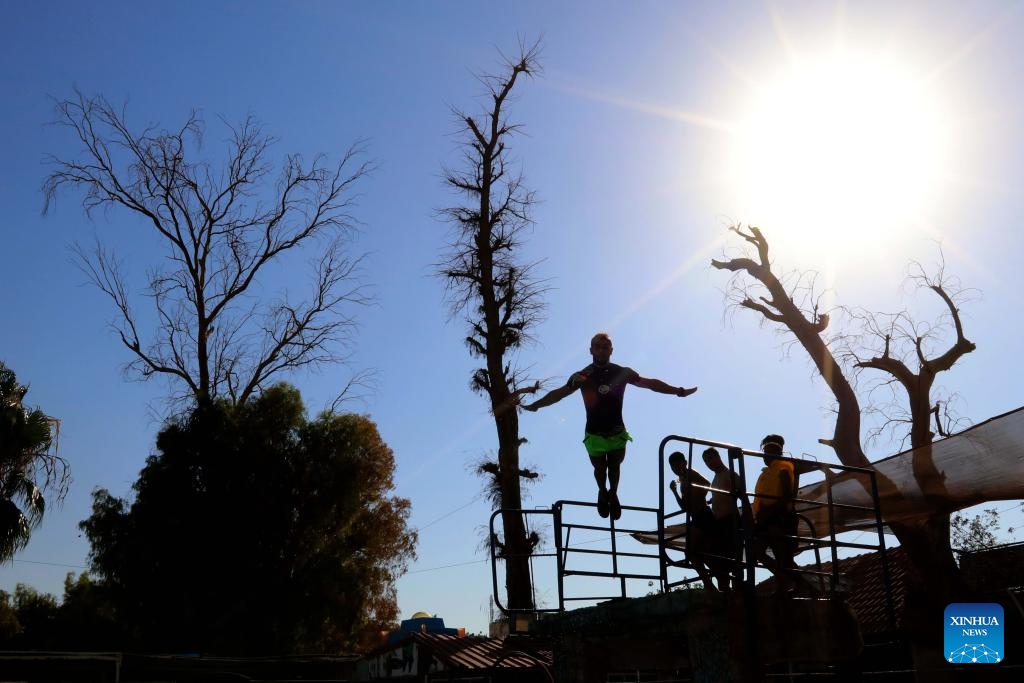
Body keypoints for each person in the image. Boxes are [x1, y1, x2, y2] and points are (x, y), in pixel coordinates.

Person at [520, 332, 697, 520]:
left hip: (617, 432)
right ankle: (602, 491)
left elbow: (650, 384)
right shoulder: (582, 376)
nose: (602, 350)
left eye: (606, 346)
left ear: (611, 350)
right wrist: (537, 405)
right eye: (598, 346)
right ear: (591, 350)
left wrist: (678, 391)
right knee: (599, 469)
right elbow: (560, 393)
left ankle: (613, 493)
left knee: (614, 467)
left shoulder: (622, 373)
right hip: (594, 434)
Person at [752, 434, 799, 590]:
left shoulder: (784, 468)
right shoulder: (765, 473)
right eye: (764, 451)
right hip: (765, 519)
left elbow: (787, 497)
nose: (764, 455)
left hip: (779, 517)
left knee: (782, 555)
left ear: (777, 452)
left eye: (768, 451)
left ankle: (789, 583)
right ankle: (784, 579)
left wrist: (770, 512)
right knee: (758, 552)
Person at [701, 447, 745, 590]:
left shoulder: (730, 474)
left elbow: (742, 496)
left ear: (718, 456)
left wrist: (747, 520)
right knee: (719, 559)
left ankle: (737, 591)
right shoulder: (715, 479)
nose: (709, 463)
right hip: (719, 523)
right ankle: (724, 590)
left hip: (731, 520)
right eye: (706, 461)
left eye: (711, 458)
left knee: (734, 557)